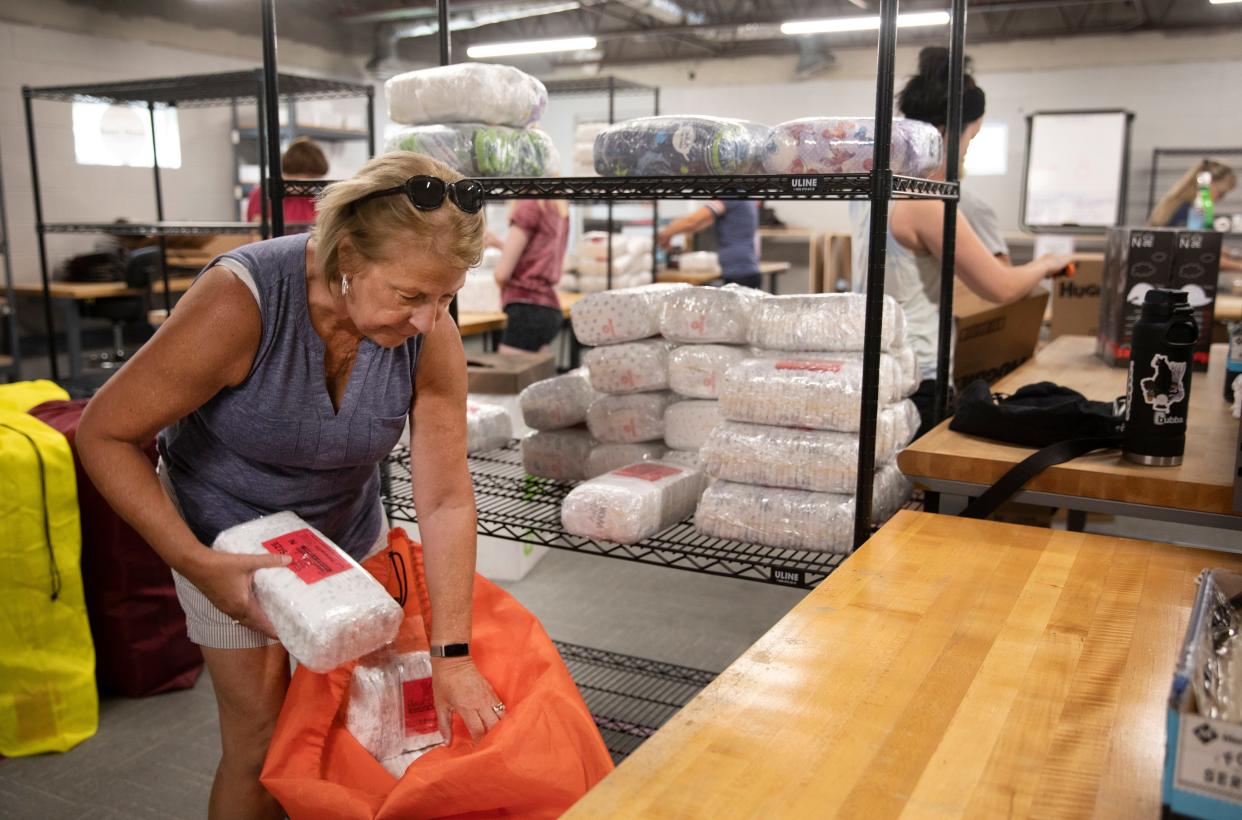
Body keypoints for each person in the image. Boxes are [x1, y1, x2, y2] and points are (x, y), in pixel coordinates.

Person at [76, 153, 501, 820]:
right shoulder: (245, 302)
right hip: (225, 541)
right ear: (347, 256)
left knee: (358, 728)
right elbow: (103, 433)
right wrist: (195, 562)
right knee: (260, 742)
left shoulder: (429, 332)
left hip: (341, 540)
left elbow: (445, 498)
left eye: (447, 295)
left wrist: (452, 655)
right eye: (411, 296)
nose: (428, 320)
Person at [849, 47, 1071, 436]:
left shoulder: (873, 188)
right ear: (943, 134)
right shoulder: (925, 203)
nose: (968, 149)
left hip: (876, 362)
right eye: (972, 136)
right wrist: (1045, 264)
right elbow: (999, 287)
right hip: (918, 375)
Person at [486, 199, 569, 354]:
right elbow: (536, 255)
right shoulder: (556, 207)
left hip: (526, 309)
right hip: (549, 308)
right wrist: (500, 244)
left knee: (510, 376)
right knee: (536, 375)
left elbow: (502, 274)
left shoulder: (528, 206)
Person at [1150, 159, 1242, 273]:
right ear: (1208, 184)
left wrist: (1233, 254)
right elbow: (1197, 253)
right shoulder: (1194, 211)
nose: (1220, 198)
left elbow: (1202, 245)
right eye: (1221, 192)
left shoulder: (1178, 205)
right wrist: (1238, 265)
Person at [658, 200, 762, 289]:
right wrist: (672, 232)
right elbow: (700, 223)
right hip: (743, 269)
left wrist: (666, 233)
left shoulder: (731, 195)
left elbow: (693, 221)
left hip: (739, 272)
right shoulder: (742, 198)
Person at [246, 137, 329, 226]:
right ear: (297, 170)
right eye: (311, 177)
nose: (313, 183)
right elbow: (257, 232)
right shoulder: (263, 194)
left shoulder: (312, 197)